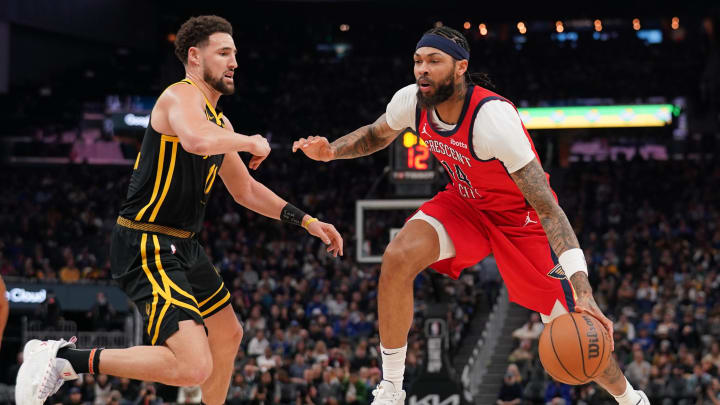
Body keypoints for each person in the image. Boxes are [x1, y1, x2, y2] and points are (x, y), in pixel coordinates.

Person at [293, 25, 648, 405]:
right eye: (417, 61)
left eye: (434, 61)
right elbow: (378, 134)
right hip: (466, 204)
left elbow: (548, 208)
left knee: (578, 329)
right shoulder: (410, 102)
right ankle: (392, 389)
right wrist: (331, 150)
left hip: (520, 219)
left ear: (460, 67)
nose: (422, 70)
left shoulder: (492, 119)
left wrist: (584, 290)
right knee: (397, 257)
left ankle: (630, 399)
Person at [16, 15, 343, 405]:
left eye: (235, 53)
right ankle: (63, 360)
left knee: (228, 334)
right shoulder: (180, 96)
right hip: (146, 240)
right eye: (223, 53)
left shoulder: (218, 121)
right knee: (193, 366)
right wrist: (251, 141)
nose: (234, 61)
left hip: (183, 245)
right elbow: (195, 140)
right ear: (194, 57)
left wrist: (306, 220)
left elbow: (246, 191)